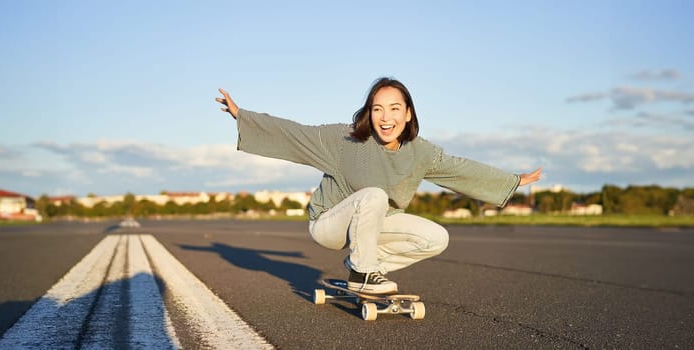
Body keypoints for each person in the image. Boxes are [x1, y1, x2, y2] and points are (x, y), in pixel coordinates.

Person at [215, 77, 542, 294]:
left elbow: (459, 169)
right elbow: (294, 134)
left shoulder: (420, 152)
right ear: (369, 114)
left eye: (394, 108)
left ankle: (363, 267)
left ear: (409, 114)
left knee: (436, 237)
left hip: (372, 225)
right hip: (329, 223)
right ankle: (363, 271)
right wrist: (242, 115)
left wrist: (513, 181)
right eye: (378, 109)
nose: (386, 117)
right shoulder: (345, 141)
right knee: (373, 195)